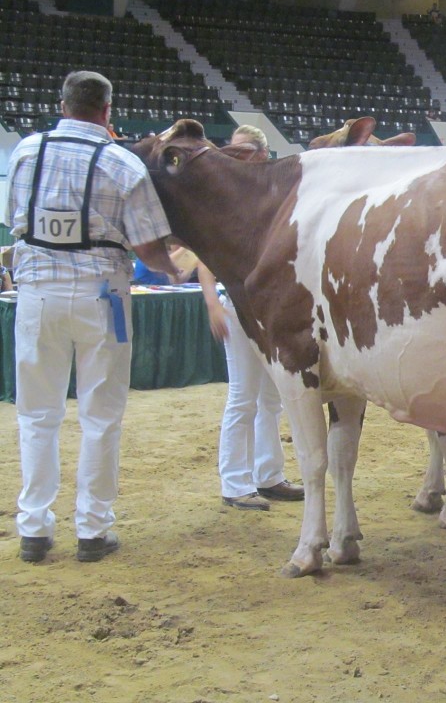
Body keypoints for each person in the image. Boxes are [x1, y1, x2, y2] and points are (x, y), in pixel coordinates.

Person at [1, 70, 186, 564]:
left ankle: (34, 528)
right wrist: (173, 266)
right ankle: (92, 529)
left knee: (37, 415)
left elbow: (15, 220)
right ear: (107, 111)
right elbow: (148, 246)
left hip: (37, 294)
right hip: (102, 297)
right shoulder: (122, 163)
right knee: (100, 416)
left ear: (63, 105)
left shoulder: (25, 152)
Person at [198, 124, 304, 511]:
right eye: (232, 151)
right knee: (243, 396)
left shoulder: (277, 194)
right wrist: (213, 303)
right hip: (239, 303)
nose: (235, 158)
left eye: (243, 151)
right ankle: (235, 482)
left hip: (270, 305)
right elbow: (205, 256)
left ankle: (269, 474)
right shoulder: (226, 199)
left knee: (271, 397)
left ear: (261, 154)